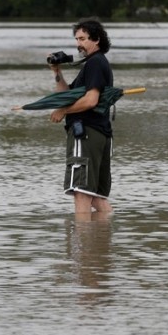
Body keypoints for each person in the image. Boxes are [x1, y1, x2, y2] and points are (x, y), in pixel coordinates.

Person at [48, 18, 115, 216]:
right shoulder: (94, 63)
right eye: (77, 39)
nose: (79, 44)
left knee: (81, 192)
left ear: (96, 39)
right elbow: (65, 95)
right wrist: (57, 71)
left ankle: (82, 244)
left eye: (83, 39)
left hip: (86, 133)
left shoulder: (95, 63)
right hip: (100, 133)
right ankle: (102, 240)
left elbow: (91, 100)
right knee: (96, 196)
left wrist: (64, 111)